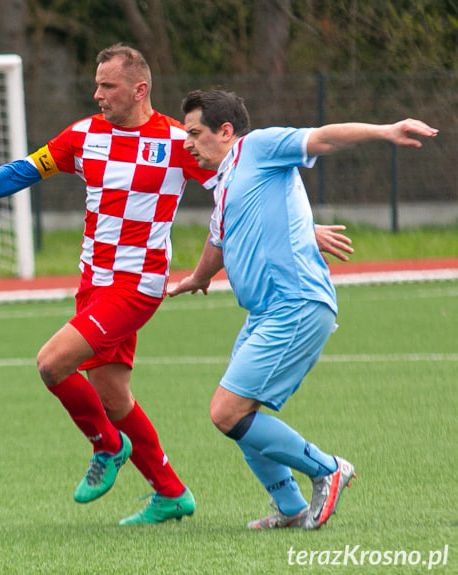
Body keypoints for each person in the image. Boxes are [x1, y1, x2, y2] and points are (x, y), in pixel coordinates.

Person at [0, 44, 351, 525]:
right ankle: (170, 492)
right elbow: (24, 170)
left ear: (139, 89)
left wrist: (301, 229)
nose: (97, 94)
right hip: (93, 284)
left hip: (136, 286)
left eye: (108, 86)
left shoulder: (178, 141)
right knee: (112, 395)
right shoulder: (82, 136)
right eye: (97, 84)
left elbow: (241, 188)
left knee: (51, 364)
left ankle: (107, 445)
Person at [168, 89, 438, 530]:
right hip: (264, 314)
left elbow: (324, 138)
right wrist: (197, 279)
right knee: (240, 415)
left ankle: (327, 468)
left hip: (294, 304)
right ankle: (292, 509)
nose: (189, 143)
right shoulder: (225, 185)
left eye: (195, 133)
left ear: (226, 131)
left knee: (226, 412)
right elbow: (218, 243)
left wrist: (385, 130)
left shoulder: (255, 148)